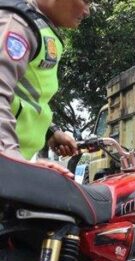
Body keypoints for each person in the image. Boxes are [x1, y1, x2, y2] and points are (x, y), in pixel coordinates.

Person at [0, 0, 88, 176]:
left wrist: (51, 132)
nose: (87, 12)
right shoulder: (17, 24)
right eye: (86, 1)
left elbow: (26, 97)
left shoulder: (37, 27)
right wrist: (11, 158)